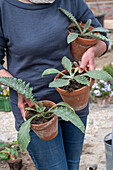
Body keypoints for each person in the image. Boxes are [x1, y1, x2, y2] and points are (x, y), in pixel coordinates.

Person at [0, 0, 108, 169]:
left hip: (72, 95)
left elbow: (102, 40)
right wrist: (15, 86)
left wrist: (91, 51)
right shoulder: (4, 7)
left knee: (72, 165)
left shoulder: (70, 2)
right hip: (33, 106)